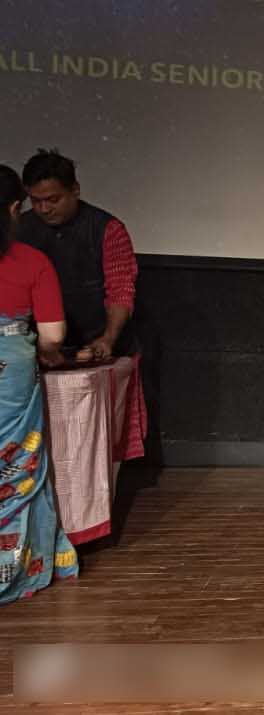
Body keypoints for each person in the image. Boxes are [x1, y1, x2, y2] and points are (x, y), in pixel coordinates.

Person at [0, 163, 79, 606]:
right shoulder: (32, 262)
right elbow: (52, 336)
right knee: (13, 464)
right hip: (10, 371)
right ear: (14, 209)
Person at [16, 149, 138, 362]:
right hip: (39, 349)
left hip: (101, 345)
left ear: (75, 190)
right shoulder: (20, 228)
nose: (44, 209)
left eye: (53, 199)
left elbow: (120, 291)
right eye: (35, 201)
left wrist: (108, 338)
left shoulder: (107, 229)